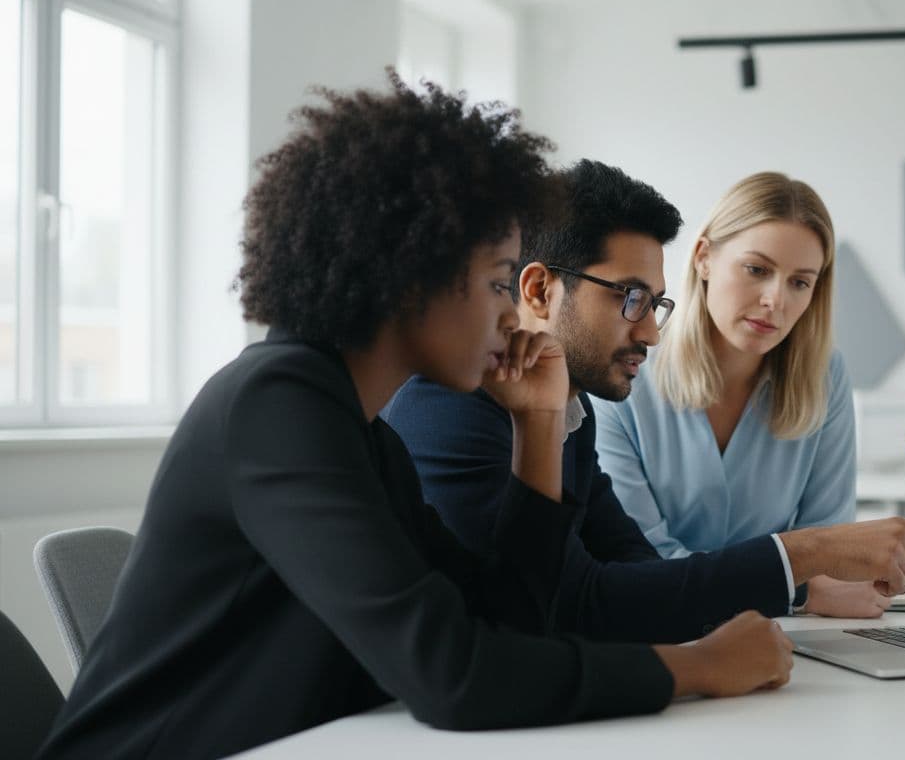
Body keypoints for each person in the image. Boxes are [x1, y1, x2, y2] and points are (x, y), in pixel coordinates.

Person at [36, 74, 796, 760]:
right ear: (415, 277)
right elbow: (453, 676)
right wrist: (698, 668)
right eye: (500, 283)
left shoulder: (363, 431)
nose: (513, 316)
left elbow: (504, 624)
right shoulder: (278, 404)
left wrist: (537, 430)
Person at [383, 160, 905, 645]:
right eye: (630, 298)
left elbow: (634, 573)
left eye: (653, 303)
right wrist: (803, 567)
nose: (648, 331)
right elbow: (551, 611)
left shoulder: (572, 403)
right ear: (539, 289)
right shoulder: (451, 407)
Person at [592, 172, 889, 618]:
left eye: (799, 282)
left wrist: (807, 584)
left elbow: (826, 545)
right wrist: (795, 591)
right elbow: (638, 562)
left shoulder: (826, 375)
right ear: (704, 257)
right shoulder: (624, 370)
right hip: (655, 631)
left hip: (785, 640)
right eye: (757, 270)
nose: (776, 300)